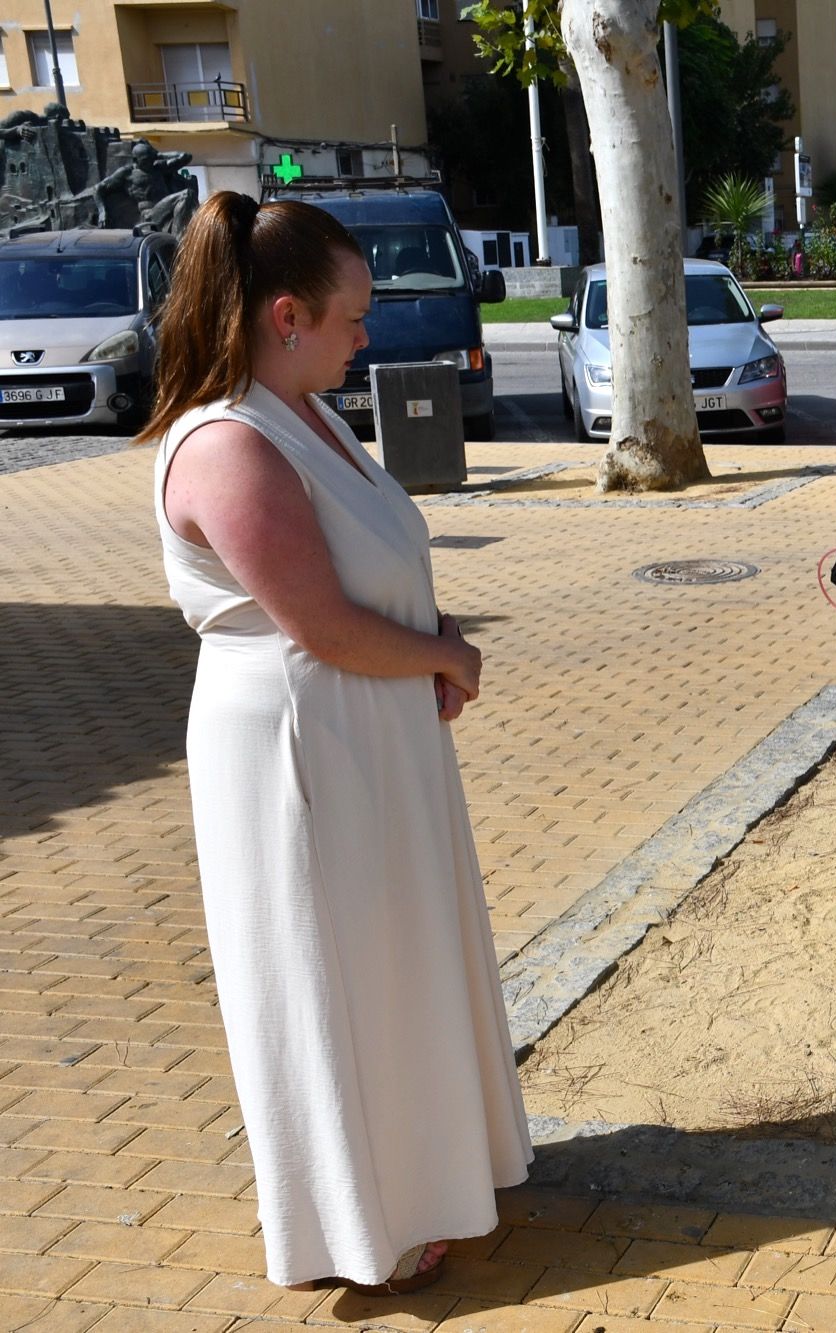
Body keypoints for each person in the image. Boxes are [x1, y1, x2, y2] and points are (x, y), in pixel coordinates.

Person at [143, 193, 532, 1293]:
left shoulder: (308, 411)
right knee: (331, 974)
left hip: (364, 729)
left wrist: (430, 650)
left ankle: (428, 1169)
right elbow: (317, 624)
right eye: (353, 315)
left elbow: (371, 578)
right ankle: (363, 1225)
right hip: (297, 748)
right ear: (285, 315)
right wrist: (446, 659)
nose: (369, 334)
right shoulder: (228, 443)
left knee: (394, 956)